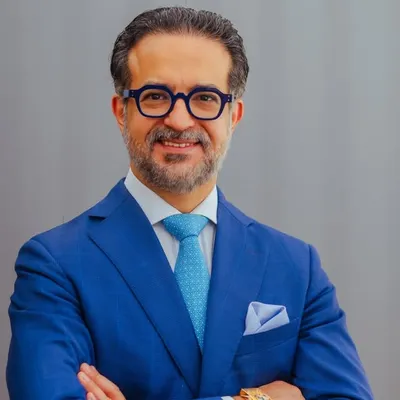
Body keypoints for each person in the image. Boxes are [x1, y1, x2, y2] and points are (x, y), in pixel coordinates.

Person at [6, 6, 373, 400]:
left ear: (233, 116)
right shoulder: (55, 265)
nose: (180, 121)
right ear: (121, 112)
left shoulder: (297, 268)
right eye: (155, 96)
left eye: (204, 98)